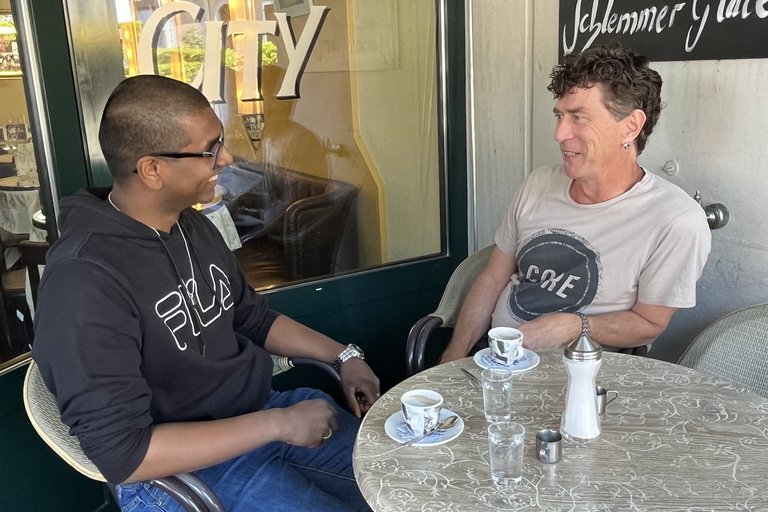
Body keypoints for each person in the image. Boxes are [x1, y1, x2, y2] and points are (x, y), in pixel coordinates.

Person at [32, 74, 379, 512]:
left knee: (404, 478)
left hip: (256, 416)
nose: (226, 158)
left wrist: (344, 357)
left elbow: (252, 318)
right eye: (210, 149)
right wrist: (278, 424)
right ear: (152, 170)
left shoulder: (189, 223)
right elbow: (125, 454)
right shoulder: (84, 281)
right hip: (178, 473)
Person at [441, 45, 711, 362]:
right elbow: (492, 279)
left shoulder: (675, 220)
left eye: (579, 117)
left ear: (630, 126)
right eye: (560, 116)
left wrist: (575, 326)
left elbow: (649, 324)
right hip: (494, 359)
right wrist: (454, 357)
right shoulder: (538, 185)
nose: (559, 134)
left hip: (579, 373)